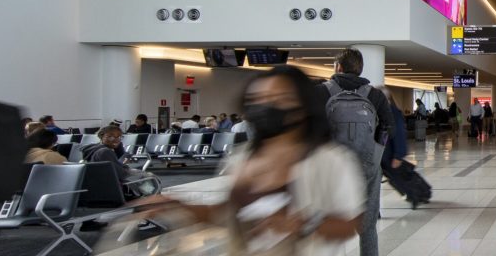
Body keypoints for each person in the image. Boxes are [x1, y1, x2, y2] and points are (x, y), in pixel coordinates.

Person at [139, 66, 363, 255]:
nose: (266, 107)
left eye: (279, 100)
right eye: (258, 100)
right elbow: (228, 214)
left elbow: (349, 224)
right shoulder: (243, 156)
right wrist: (178, 206)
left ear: (302, 107)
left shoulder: (330, 160)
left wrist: (301, 224)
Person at [312, 49, 395, 256]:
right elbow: (388, 126)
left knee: (328, 221)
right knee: (367, 227)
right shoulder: (375, 95)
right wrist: (376, 150)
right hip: (367, 164)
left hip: (329, 165)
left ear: (338, 67)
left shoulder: (321, 92)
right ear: (360, 69)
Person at [83, 125, 160, 199]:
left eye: (119, 137)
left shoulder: (93, 149)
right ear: (102, 136)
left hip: (98, 187)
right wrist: (127, 168)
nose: (116, 139)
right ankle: (150, 198)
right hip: (112, 189)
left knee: (141, 174)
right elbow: (122, 174)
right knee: (150, 178)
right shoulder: (104, 152)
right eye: (110, 137)